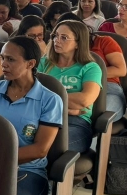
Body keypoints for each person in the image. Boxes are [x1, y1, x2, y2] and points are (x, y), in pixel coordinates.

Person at [0, 36, 63, 195]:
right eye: (2, 58)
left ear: (30, 63)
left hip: (27, 172)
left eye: (10, 59)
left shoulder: (49, 100)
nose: (4, 64)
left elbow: (40, 150)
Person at [38, 20, 102, 153]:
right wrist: (71, 108)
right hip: (42, 118)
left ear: (78, 43)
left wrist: (48, 99)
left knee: (51, 148)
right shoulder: (45, 62)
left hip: (75, 122)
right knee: (21, 143)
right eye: (55, 35)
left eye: (64, 37)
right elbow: (33, 93)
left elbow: (84, 100)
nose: (57, 40)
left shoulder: (90, 68)